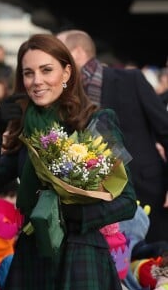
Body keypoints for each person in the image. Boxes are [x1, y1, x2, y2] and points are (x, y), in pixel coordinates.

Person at [0, 33, 137, 290]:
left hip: (81, 256)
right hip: (32, 256)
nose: (36, 81)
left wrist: (76, 215)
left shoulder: (98, 121)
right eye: (28, 73)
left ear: (66, 73)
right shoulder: (26, 129)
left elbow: (127, 201)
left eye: (46, 70)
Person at [57, 29, 168, 243]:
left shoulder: (130, 79)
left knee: (154, 265)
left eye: (60, 54)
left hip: (148, 191)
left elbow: (165, 131)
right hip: (97, 202)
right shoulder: (62, 94)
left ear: (78, 52)